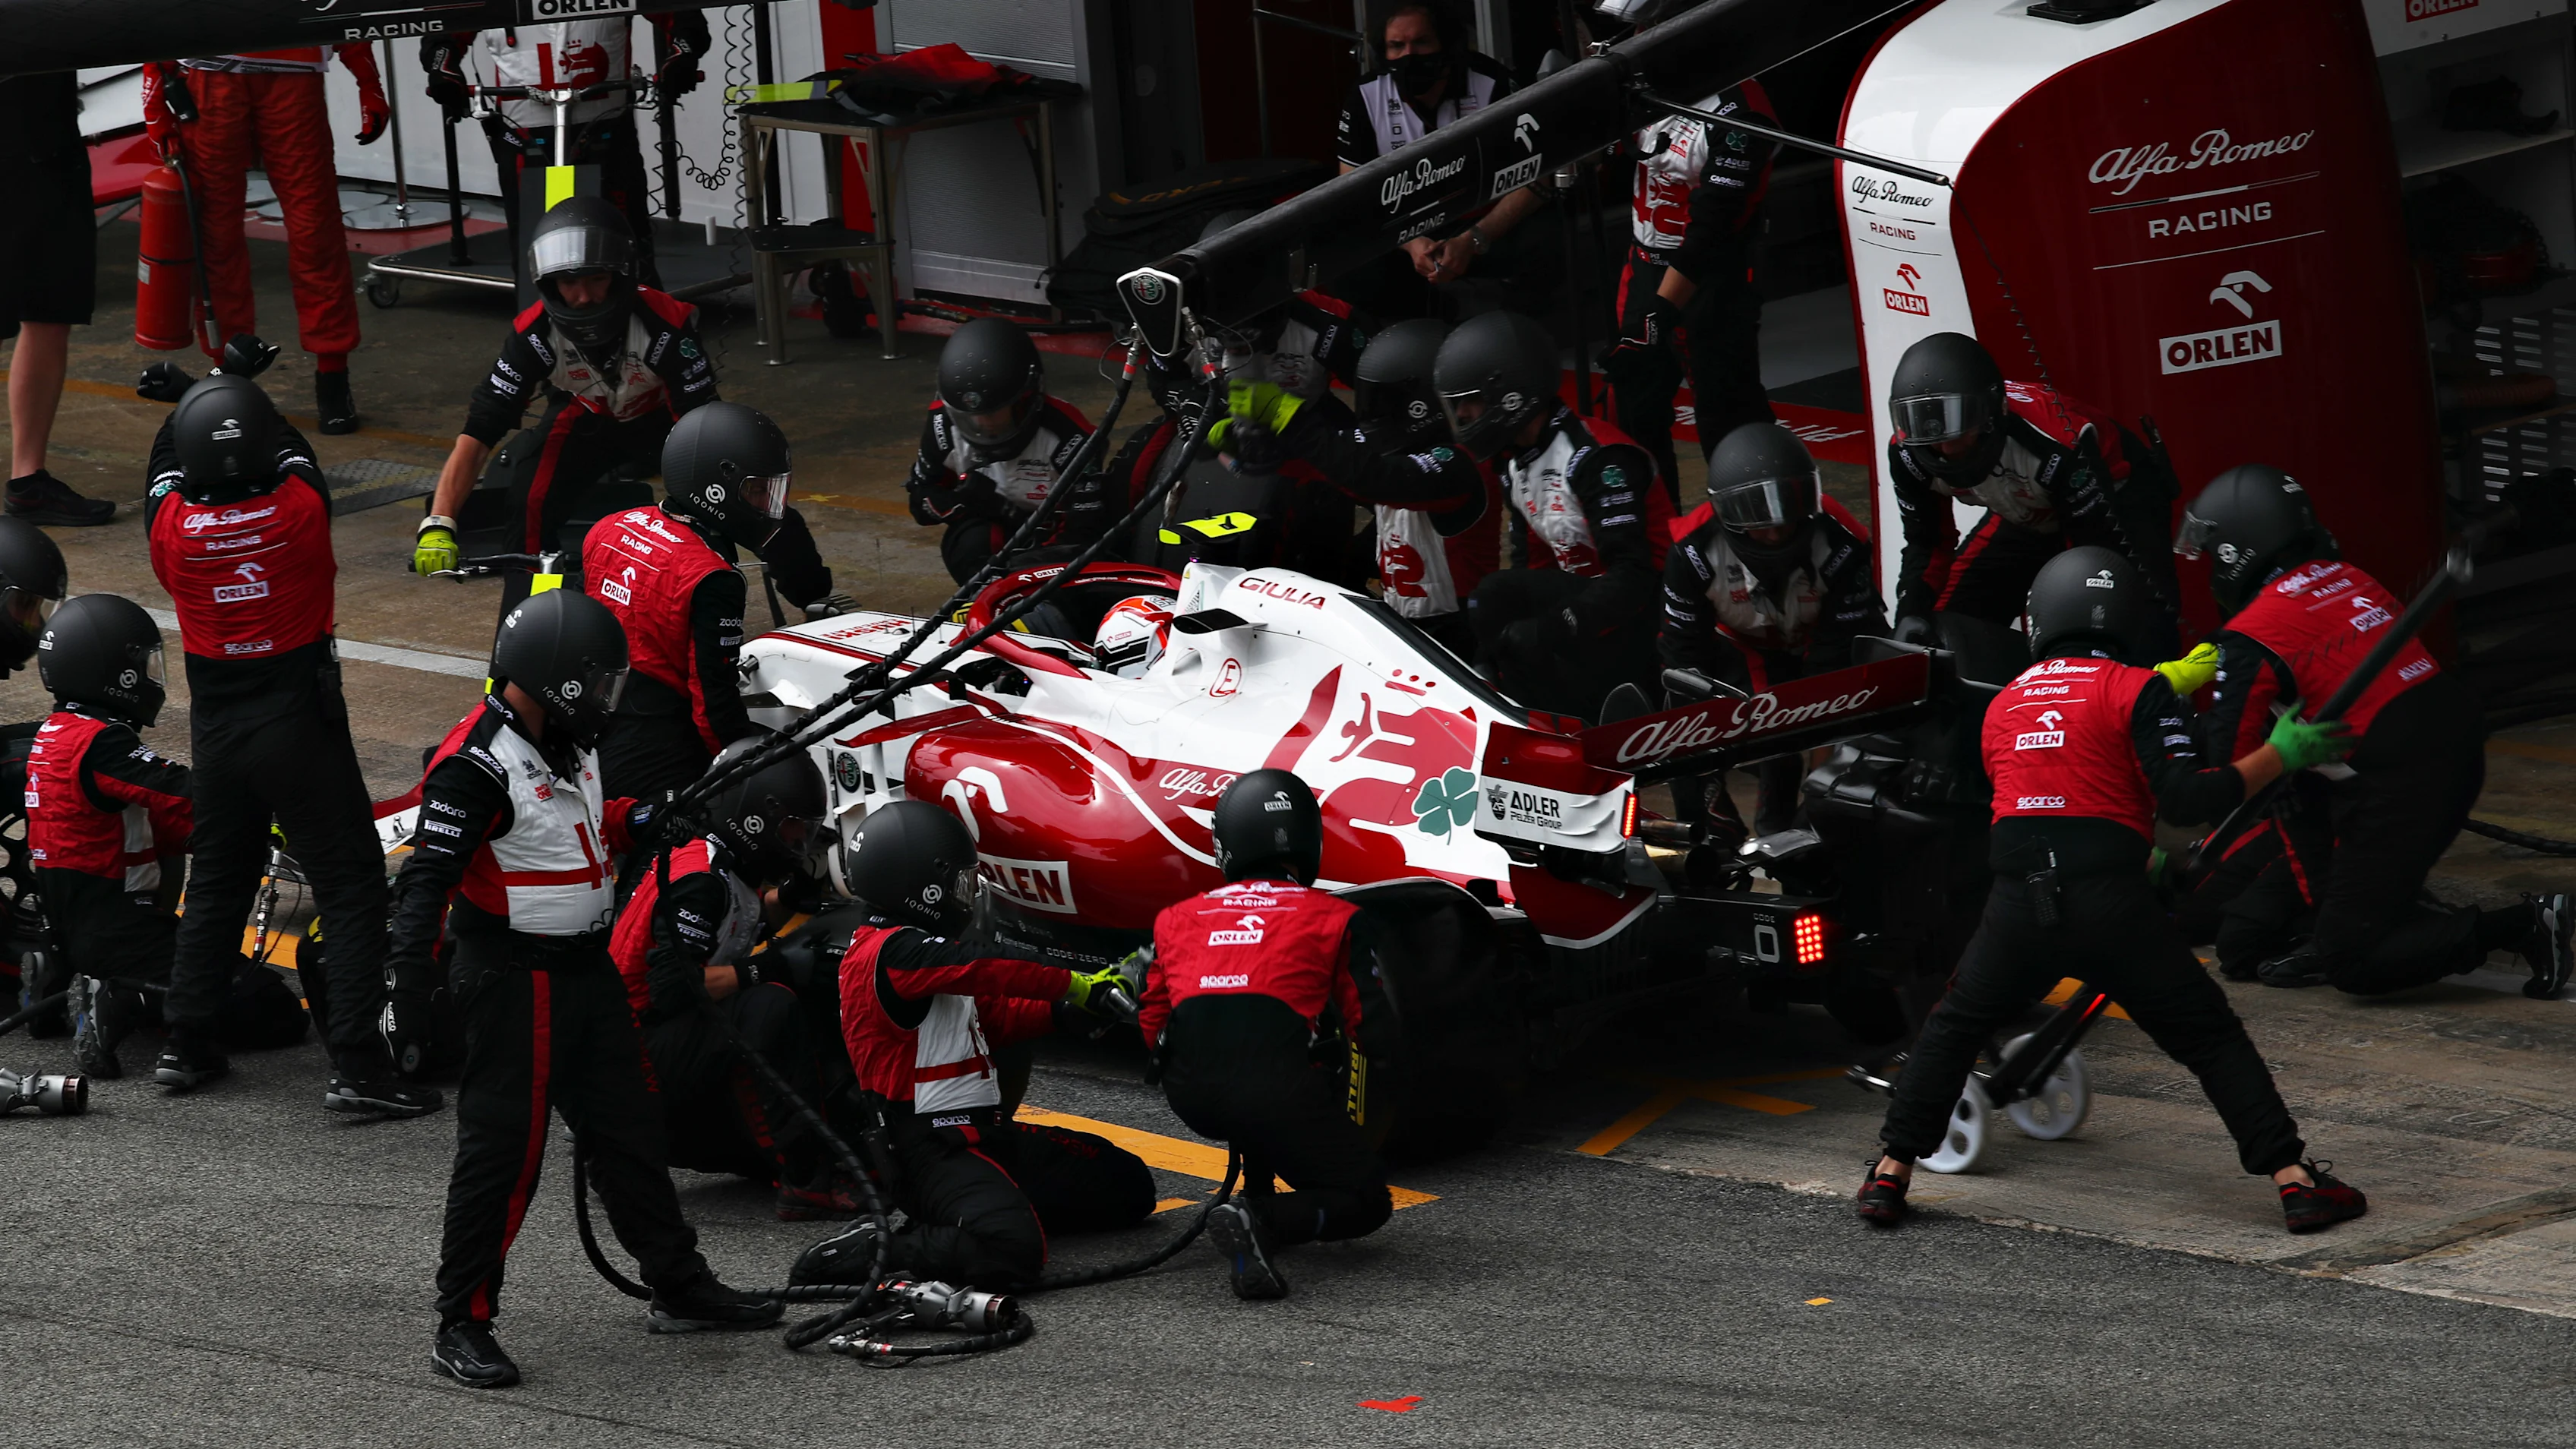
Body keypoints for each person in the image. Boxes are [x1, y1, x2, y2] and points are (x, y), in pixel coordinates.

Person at [1856, 546, 2368, 1236]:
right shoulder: (2136, 688)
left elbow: (2040, 798)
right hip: (2111, 905)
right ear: (2124, 618)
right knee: (2210, 1038)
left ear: (2039, 620)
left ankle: (1889, 1174)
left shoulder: (2004, 703)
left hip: (2017, 903)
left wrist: (2137, 850)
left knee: (1952, 1029)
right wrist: (2281, 753)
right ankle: (2296, 1183)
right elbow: (2187, 800)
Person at [382, 589, 782, 1388]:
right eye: (599, 684)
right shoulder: (474, 767)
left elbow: (587, 828)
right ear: (557, 681)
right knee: (505, 1155)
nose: (610, 699)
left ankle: (678, 1284)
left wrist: (644, 819)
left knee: (632, 1127)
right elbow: (426, 880)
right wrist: (407, 986)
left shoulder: (568, 739)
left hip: (585, 972)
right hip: (512, 981)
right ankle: (462, 1321)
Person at [141, 374, 438, 1117]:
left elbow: (165, 468)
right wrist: (236, 389)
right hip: (298, 719)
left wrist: (192, 400)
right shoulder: (301, 512)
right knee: (350, 880)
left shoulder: (170, 531)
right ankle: (361, 1064)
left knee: (217, 877)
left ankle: (185, 1040)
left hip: (217, 724)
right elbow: (289, 445)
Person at [2175, 464, 2571, 997]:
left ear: (2234, 553)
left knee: (2352, 961)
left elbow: (2225, 775)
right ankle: (2373, 914)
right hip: (2442, 753)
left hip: (2398, 787)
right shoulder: (2350, 577)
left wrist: (2169, 732)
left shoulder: (2248, 639)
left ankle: (2523, 926)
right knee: (2245, 943)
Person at [413, 198, 845, 620]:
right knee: (529, 494)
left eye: (596, 278)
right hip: (586, 418)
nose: (582, 297)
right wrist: (440, 521)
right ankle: (530, 619)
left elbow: (702, 425)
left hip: (670, 423)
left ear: (621, 276)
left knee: (733, 489)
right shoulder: (532, 335)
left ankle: (813, 597)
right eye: (568, 282)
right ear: (548, 285)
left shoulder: (667, 325)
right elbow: (479, 431)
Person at [787, 800, 1138, 1293]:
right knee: (1013, 1253)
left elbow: (993, 1017)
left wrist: (1071, 1012)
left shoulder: (918, 950)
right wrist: (1078, 984)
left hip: (982, 1137)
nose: (967, 895)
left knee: (1128, 1186)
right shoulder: (890, 951)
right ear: (923, 886)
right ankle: (882, 1248)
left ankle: (981, 1216)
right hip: (929, 1152)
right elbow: (989, 964)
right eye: (959, 882)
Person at [1138, 769, 1394, 1300]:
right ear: (1308, 840)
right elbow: (1372, 1026)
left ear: (1225, 843)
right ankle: (1263, 1217)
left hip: (1192, 1095)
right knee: (1368, 1200)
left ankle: (1253, 1196)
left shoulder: (1174, 918)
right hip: (1278, 1091)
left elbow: (1152, 1018)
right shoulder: (1338, 916)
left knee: (1252, 1060)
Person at [612, 739, 855, 1218]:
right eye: (791, 832)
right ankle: (807, 1180)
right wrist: (773, 964)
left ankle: (810, 1145)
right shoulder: (699, 881)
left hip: (648, 1054)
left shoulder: (715, 861)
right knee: (771, 1004)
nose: (798, 846)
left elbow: (733, 922)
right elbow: (675, 988)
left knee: (785, 981)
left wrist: (790, 898)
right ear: (753, 818)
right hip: (629, 1068)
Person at [140, 47, 390, 434]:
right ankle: (227, 376)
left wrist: (369, 81)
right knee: (214, 237)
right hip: (212, 74)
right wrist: (155, 88)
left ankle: (333, 376)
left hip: (291, 71)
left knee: (316, 232)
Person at [1437, 310, 1670, 720]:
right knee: (1494, 602)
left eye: (1469, 406)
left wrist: (1554, 628)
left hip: (1650, 608)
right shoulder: (1516, 463)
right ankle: (1534, 710)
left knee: (1506, 609)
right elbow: (1532, 569)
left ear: (1509, 395)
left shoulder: (1597, 459)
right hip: (1591, 605)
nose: (1463, 420)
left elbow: (1634, 577)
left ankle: (1602, 703)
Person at [1660, 422, 1885, 837]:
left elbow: (1840, 652)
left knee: (1845, 746)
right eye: (1759, 521)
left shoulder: (1843, 540)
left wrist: (1826, 772)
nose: (1776, 531)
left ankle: (1828, 822)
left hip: (1825, 648)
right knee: (1754, 744)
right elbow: (1683, 659)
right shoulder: (1691, 551)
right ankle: (1728, 828)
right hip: (1745, 651)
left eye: (1787, 513)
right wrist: (1701, 777)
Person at [1884, 332, 2177, 648]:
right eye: (1928, 429)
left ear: (1990, 416)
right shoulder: (1907, 453)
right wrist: (1910, 613)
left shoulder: (2057, 445)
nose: (1944, 446)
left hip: (2117, 502)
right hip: (2026, 511)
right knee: (1943, 624)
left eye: (1956, 426)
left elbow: (2094, 555)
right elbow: (1926, 543)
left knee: (2132, 624)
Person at [582, 401, 803, 800]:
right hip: (652, 747)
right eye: (756, 491)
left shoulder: (609, 528)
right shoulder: (713, 577)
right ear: (715, 487)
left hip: (588, 720)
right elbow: (712, 706)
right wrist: (752, 765)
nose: (766, 506)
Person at [1245, 320, 1499, 657]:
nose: (1371, 411)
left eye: (1383, 400)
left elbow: (1377, 478)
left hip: (1459, 638)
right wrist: (1251, 446)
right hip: (1402, 627)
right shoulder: (1395, 449)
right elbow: (1331, 461)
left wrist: (1291, 420)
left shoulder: (1461, 464)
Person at [421, 13, 710, 286]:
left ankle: (643, 328)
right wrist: (442, 66)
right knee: (539, 253)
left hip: (606, 130)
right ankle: (543, 332)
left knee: (625, 245)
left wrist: (684, 52)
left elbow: (683, 15)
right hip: (526, 137)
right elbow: (444, 30)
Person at [27, 595, 190, 1080]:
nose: (151, 676)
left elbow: (156, 818)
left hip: (63, 921)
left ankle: (54, 976)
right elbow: (182, 792)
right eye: (143, 663)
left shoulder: (53, 732)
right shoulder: (104, 742)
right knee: (268, 1010)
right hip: (119, 928)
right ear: (114, 672)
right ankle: (121, 995)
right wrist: (260, 801)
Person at [1603, 60, 1779, 504]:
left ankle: (1758, 535)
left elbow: (1714, 229)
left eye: (1652, 26)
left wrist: (1660, 313)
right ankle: (1656, 548)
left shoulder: (1742, 112)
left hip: (1714, 280)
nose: (1641, 38)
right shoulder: (1639, 85)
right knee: (1633, 410)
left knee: (1728, 418)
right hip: (1644, 264)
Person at [1334, 2, 1554, 318]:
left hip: (1481, 225)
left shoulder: (1491, 82)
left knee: (1542, 238)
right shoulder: (1366, 95)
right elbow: (1351, 193)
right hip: (1405, 232)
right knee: (1350, 260)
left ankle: (1514, 332)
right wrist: (1410, 243)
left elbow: (1538, 178)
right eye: (1397, 46)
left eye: (1421, 42)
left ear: (1446, 43)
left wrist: (1474, 239)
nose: (1409, 55)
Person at [0, 73, 115, 523]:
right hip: (19, 143)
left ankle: (29, 482)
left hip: (49, 139)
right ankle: (28, 481)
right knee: (43, 311)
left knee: (52, 310)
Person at [905, 318, 1097, 584]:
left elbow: (1085, 533)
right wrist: (957, 502)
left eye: (996, 414)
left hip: (1052, 547)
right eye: (971, 418)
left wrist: (1018, 570)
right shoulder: (942, 425)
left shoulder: (1071, 437)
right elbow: (920, 500)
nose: (984, 425)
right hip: (993, 539)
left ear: (1028, 398)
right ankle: (979, 597)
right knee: (970, 542)